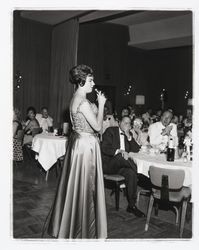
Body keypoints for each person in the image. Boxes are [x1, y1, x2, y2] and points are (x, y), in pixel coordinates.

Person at [47, 64, 107, 239]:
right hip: (86, 145)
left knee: (77, 185)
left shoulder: (76, 98)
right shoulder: (82, 102)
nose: (93, 83)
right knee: (87, 187)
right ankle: (83, 229)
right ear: (81, 81)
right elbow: (97, 128)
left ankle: (71, 224)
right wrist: (102, 105)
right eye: (90, 80)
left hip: (79, 143)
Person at [101, 116, 145, 217]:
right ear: (119, 122)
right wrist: (119, 151)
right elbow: (104, 148)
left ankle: (131, 206)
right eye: (125, 123)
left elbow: (137, 149)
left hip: (122, 166)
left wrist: (129, 137)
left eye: (129, 123)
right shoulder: (110, 131)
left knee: (131, 174)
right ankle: (140, 173)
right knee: (121, 157)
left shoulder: (128, 135)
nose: (127, 125)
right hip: (109, 165)